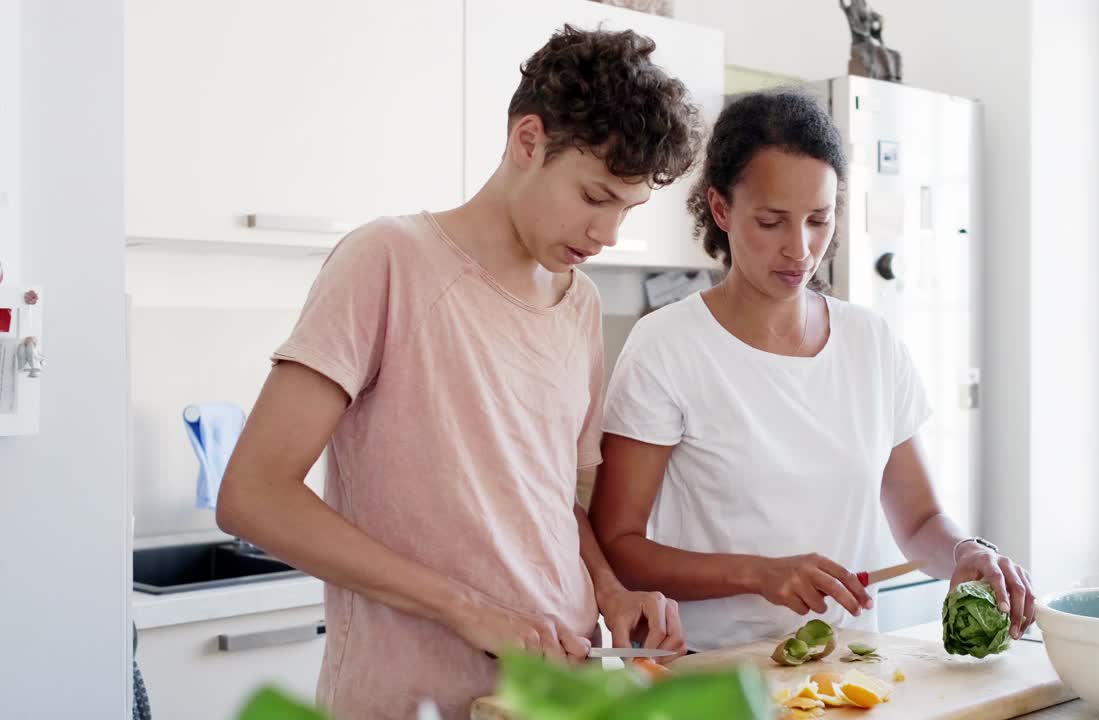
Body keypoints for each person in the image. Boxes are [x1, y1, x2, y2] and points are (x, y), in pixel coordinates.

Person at [215, 25, 701, 720]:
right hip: (409, 700)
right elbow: (253, 494)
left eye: (627, 209)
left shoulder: (581, 304)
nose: (608, 235)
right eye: (595, 198)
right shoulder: (387, 261)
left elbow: (548, 498)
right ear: (527, 141)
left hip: (554, 698)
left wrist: (610, 591)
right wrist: (466, 610)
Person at [589, 89, 1034, 653]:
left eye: (818, 220)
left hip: (848, 670)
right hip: (712, 672)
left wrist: (969, 550)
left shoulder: (871, 343)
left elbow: (920, 522)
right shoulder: (668, 347)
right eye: (772, 222)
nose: (800, 249)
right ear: (721, 209)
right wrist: (760, 573)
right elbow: (618, 546)